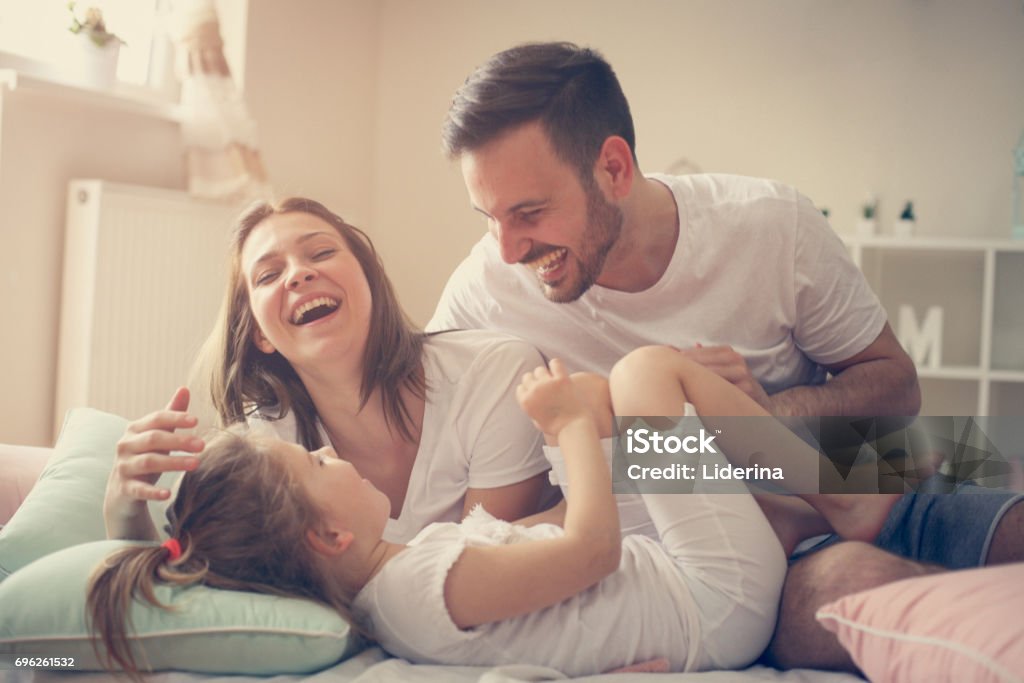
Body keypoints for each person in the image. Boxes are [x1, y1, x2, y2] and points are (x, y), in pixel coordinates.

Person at [428, 41, 1024, 670]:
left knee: (988, 479)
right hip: (759, 558)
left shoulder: (772, 225)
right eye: (488, 217)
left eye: (529, 212)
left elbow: (897, 386)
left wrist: (769, 411)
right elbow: (415, 415)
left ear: (614, 169)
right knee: (866, 588)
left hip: (861, 467)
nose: (508, 247)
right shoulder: (485, 290)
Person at [88, 347, 899, 678]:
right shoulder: (425, 582)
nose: (330, 453)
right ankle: (840, 493)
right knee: (645, 373)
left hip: (688, 587)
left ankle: (788, 514)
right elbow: (590, 554)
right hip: (714, 600)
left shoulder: (395, 585)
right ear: (328, 533)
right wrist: (576, 429)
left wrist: (583, 441)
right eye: (315, 462)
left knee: (611, 412)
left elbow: (530, 616)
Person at [103, 197, 553, 547]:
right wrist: (124, 511)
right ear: (260, 334)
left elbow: (481, 567)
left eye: (320, 252)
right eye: (267, 275)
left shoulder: (498, 372)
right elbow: (191, 587)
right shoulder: (267, 449)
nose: (298, 275)